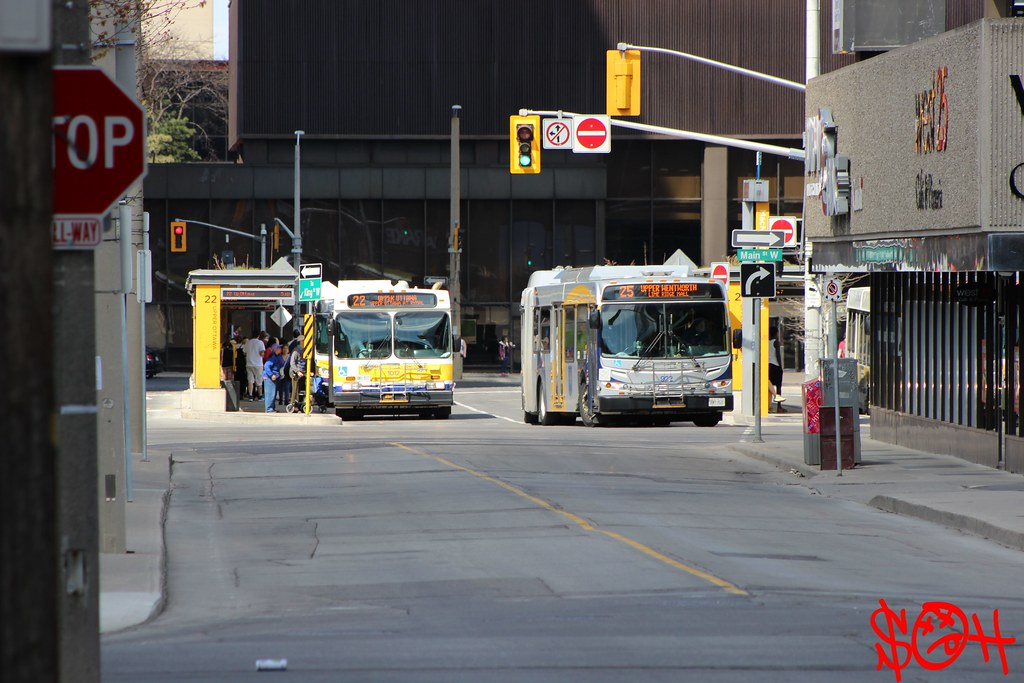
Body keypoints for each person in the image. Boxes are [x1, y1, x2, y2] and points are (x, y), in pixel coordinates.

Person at [244, 331, 268, 401]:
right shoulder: (260, 343)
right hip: (258, 364)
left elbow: (244, 352)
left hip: (249, 364)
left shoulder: (248, 342)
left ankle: (250, 396)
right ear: (258, 336)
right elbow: (262, 353)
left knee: (250, 381)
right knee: (259, 381)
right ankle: (260, 396)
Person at [262, 343, 286, 413]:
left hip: (275, 377)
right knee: (270, 393)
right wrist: (271, 374)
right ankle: (269, 409)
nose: (280, 349)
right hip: (270, 377)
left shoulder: (278, 356)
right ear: (275, 349)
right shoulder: (272, 357)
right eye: (279, 348)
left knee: (273, 393)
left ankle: (272, 408)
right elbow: (266, 366)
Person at [768, 324, 783, 402]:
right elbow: (778, 355)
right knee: (778, 386)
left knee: (768, 384)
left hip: (768, 365)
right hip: (775, 365)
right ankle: (779, 406)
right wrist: (780, 366)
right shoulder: (776, 342)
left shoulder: (765, 342)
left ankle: (769, 403)